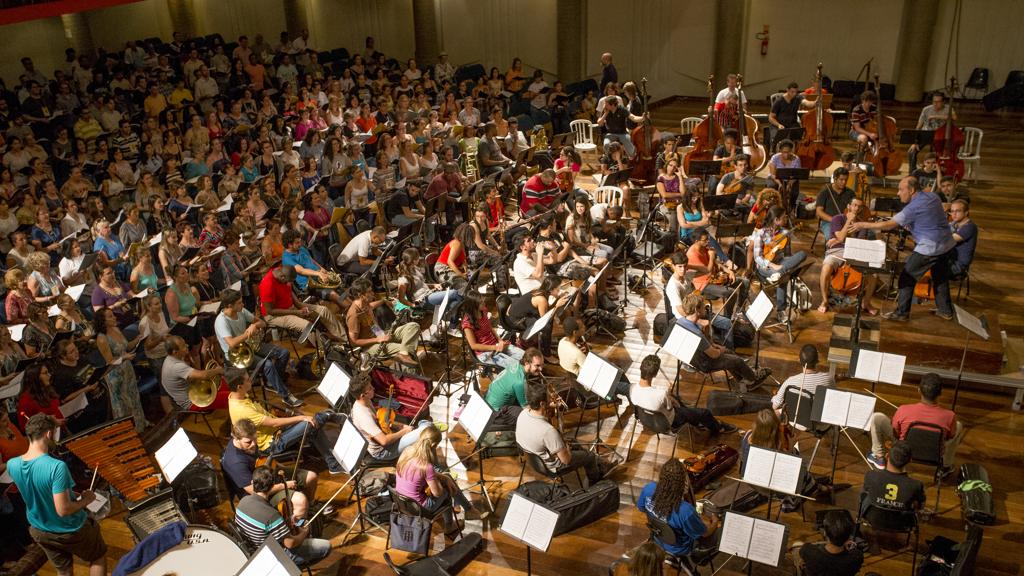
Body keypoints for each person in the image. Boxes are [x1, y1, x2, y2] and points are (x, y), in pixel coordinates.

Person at [7, 414, 108, 576]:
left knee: (64, 571)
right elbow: (64, 510)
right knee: (97, 557)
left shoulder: (12, 464)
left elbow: (37, 488)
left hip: (40, 529)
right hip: (68, 528)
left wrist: (69, 493)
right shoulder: (56, 467)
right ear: (48, 434)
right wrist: (87, 499)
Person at [851, 176, 956, 322]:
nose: (898, 193)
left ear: (912, 190)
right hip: (947, 244)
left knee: (906, 278)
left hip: (930, 248)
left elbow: (888, 225)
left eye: (901, 189)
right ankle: (945, 311)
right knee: (940, 278)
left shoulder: (913, 208)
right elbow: (930, 217)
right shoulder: (933, 197)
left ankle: (902, 313)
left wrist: (863, 225)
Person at [225, 366, 342, 472]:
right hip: (271, 444)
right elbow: (274, 423)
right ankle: (328, 416)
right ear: (239, 387)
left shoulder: (237, 396)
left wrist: (298, 417)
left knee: (311, 423)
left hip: (275, 432)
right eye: (247, 379)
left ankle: (333, 464)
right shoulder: (242, 410)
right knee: (311, 422)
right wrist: (301, 417)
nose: (251, 380)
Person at [215, 289, 300, 407]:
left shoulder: (241, 311)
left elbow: (262, 323)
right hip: (236, 355)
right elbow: (231, 343)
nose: (243, 304)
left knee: (284, 353)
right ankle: (285, 396)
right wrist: (247, 333)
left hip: (248, 346)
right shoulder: (221, 321)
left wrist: (254, 325)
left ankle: (273, 382)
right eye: (239, 303)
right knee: (268, 364)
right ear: (230, 305)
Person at [222, 418, 318, 521]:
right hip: (259, 493)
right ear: (235, 438)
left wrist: (278, 467)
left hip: (266, 474)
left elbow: (261, 461)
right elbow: (254, 491)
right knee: (301, 501)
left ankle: (310, 509)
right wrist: (284, 485)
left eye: (255, 438)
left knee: (312, 477)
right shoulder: (235, 462)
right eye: (248, 442)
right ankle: (297, 530)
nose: (254, 444)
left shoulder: (249, 445)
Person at [234, 466, 331, 568]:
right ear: (272, 487)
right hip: (272, 557)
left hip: (253, 550)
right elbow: (290, 544)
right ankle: (291, 568)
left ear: (252, 483)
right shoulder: (272, 515)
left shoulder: (243, 501)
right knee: (326, 546)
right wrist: (304, 532)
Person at [867, 373, 963, 473]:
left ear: (919, 390)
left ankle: (879, 456)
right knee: (958, 425)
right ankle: (946, 466)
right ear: (940, 393)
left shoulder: (903, 410)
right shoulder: (950, 416)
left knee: (876, 417)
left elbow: (896, 432)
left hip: (905, 450)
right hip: (934, 452)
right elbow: (950, 436)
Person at [395, 424, 476, 539]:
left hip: (402, 503)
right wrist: (444, 482)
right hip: (420, 509)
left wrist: (444, 477)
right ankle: (450, 524)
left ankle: (468, 509)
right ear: (433, 445)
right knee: (447, 490)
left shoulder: (407, 451)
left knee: (447, 478)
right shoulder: (426, 466)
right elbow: (437, 493)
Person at [674, 294, 770, 391]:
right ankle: (752, 379)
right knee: (737, 360)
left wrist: (714, 345)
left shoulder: (680, 321)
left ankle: (743, 380)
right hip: (704, 363)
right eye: (703, 306)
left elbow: (706, 343)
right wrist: (720, 349)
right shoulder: (696, 334)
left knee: (730, 354)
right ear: (696, 310)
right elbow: (714, 355)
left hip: (691, 358)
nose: (705, 308)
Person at [517, 380, 604, 484]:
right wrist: (566, 446)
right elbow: (566, 460)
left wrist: (551, 407)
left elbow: (540, 427)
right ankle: (595, 480)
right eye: (549, 398)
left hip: (534, 460)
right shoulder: (548, 431)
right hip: (552, 467)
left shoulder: (523, 413)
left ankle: (592, 462)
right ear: (542, 404)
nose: (552, 399)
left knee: (573, 442)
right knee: (590, 456)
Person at [631, 354, 736, 434]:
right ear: (655, 374)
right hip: (669, 423)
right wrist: (668, 395)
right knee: (705, 413)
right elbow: (671, 407)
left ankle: (696, 421)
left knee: (681, 403)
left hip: (648, 422)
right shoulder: (660, 394)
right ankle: (718, 428)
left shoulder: (632, 389)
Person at [636, 459, 719, 558]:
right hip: (680, 548)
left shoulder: (648, 489)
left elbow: (641, 508)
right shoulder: (685, 511)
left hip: (658, 537)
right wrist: (715, 522)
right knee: (719, 531)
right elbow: (705, 534)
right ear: (682, 483)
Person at [816, 196, 879, 314]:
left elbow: (858, 243)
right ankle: (824, 300)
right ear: (849, 206)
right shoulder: (837, 219)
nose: (856, 208)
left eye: (859, 206)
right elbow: (840, 237)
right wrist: (849, 222)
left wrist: (840, 239)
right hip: (836, 252)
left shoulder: (862, 224)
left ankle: (866, 302)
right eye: (854, 205)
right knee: (826, 268)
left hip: (854, 252)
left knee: (873, 274)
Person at [349, 372, 432, 461]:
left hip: (385, 434)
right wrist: (404, 431)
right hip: (383, 451)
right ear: (362, 395)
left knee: (427, 428)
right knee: (428, 430)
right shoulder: (363, 416)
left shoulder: (365, 401)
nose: (373, 388)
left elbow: (382, 422)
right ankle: (435, 467)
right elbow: (384, 441)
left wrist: (401, 426)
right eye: (370, 388)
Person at [345, 278, 421, 368]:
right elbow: (354, 341)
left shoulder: (365, 304)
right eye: (369, 292)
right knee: (409, 349)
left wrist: (384, 301)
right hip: (370, 346)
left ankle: (403, 354)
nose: (372, 293)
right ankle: (411, 374)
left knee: (413, 326)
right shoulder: (353, 315)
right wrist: (377, 340)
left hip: (381, 335)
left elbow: (372, 305)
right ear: (361, 295)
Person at [259, 265, 346, 342]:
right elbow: (270, 311)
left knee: (323, 310)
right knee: (307, 326)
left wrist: (299, 305)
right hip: (273, 316)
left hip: (289, 307)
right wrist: (296, 312)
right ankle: (326, 352)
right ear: (282, 277)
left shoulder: (281, 272)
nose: (288, 284)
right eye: (287, 281)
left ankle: (344, 338)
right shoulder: (268, 285)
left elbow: (289, 291)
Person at [752, 206, 808, 321]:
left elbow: (787, 254)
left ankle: (779, 273)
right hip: (765, 266)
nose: (786, 219)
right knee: (784, 276)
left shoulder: (785, 233)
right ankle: (781, 310)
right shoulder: (761, 233)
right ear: (776, 220)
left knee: (802, 254)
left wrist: (786, 264)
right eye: (784, 218)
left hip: (780, 262)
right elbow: (757, 258)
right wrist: (773, 265)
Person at [161, 334, 228, 411]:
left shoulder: (171, 358)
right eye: (183, 346)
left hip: (194, 392)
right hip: (193, 402)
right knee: (233, 397)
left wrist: (201, 356)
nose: (187, 346)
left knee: (221, 382)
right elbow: (204, 375)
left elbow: (197, 371)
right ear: (175, 352)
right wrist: (218, 370)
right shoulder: (176, 366)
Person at [461, 290, 525, 370]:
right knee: (517, 367)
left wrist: (500, 340)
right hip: (485, 353)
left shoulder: (483, 310)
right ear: (473, 306)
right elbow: (474, 346)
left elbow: (490, 328)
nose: (484, 303)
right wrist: (495, 347)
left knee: (525, 357)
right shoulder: (467, 324)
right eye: (481, 302)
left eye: (482, 300)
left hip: (496, 345)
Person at [281, 230, 344, 307]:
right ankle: (351, 309)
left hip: (318, 276)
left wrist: (321, 269)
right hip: (308, 284)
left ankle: (350, 306)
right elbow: (302, 271)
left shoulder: (301, 249)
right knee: (333, 294)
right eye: (297, 243)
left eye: (300, 241)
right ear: (289, 245)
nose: (300, 244)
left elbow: (311, 260)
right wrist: (318, 273)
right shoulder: (287, 258)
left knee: (339, 288)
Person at [794, 509, 865, 576]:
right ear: (848, 537)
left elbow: (802, 550)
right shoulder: (857, 557)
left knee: (796, 546)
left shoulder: (809, 551)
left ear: (825, 533)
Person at [485, 347, 544, 426]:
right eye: (537, 365)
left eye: (542, 365)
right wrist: (544, 407)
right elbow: (526, 407)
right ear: (526, 363)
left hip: (488, 401)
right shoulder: (519, 382)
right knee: (529, 415)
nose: (541, 369)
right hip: (495, 413)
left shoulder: (516, 364)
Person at [770, 344, 834, 413]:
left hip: (795, 420)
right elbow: (833, 398)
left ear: (799, 361)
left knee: (776, 411)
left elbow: (775, 406)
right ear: (817, 361)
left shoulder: (790, 382)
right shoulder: (829, 379)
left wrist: (774, 397)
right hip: (818, 421)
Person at [908, 91, 956, 171]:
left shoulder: (948, 108)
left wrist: (935, 116)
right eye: (934, 101)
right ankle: (912, 172)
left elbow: (954, 118)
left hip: (940, 136)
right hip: (926, 133)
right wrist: (914, 141)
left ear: (943, 102)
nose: (935, 104)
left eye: (938, 102)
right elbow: (919, 125)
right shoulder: (926, 109)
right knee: (911, 151)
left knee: (939, 154)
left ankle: (936, 171)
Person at [597, 93, 643, 158]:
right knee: (606, 144)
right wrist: (605, 114)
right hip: (611, 133)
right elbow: (599, 123)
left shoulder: (622, 109)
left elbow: (633, 117)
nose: (604, 105)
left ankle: (633, 159)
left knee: (629, 145)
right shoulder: (606, 110)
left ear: (612, 105)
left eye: (606, 104)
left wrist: (643, 118)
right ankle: (610, 160)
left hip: (622, 133)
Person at [815, 167, 855, 240]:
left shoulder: (850, 193)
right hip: (828, 222)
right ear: (835, 178)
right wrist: (834, 220)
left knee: (866, 234)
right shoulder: (825, 191)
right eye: (841, 179)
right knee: (833, 238)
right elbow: (819, 211)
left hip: (845, 222)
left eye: (846, 180)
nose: (844, 182)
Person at [949, 198, 977, 277]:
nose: (954, 214)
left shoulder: (970, 227)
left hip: (958, 265)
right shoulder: (954, 224)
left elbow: (948, 239)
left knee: (934, 270)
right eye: (952, 211)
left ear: (966, 213)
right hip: (949, 260)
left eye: (958, 211)